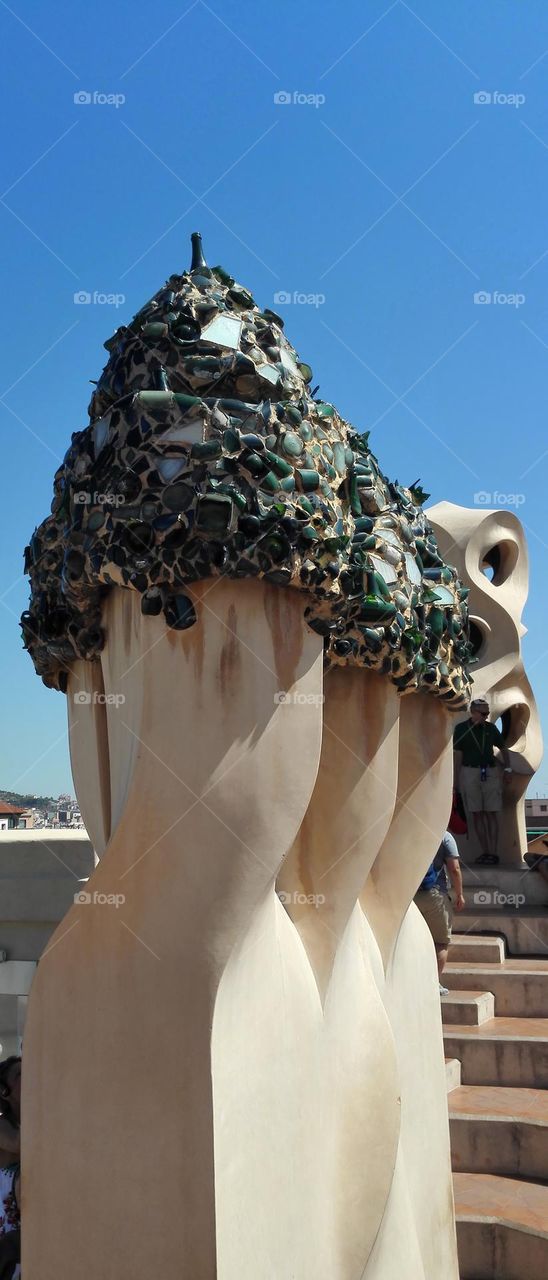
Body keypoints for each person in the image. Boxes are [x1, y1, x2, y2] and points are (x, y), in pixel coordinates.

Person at [453, 696, 512, 866]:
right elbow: (458, 756)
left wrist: (508, 769)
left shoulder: (491, 729)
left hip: (490, 771)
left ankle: (493, 852)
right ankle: (485, 851)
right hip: (470, 772)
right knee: (477, 814)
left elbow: (503, 749)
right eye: (483, 713)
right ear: (473, 712)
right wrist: (456, 782)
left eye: (487, 713)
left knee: (491, 813)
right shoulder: (461, 729)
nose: (486, 716)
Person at [414, 831, 466, 995]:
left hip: (409, 896)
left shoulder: (410, 828)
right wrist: (459, 894)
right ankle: (433, 984)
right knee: (440, 943)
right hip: (434, 895)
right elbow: (455, 869)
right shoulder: (444, 836)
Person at [0, 1058, 21, 1280]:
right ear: (4, 1091)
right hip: (7, 1226)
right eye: (20, 1075)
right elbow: (20, 1144)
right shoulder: (3, 1125)